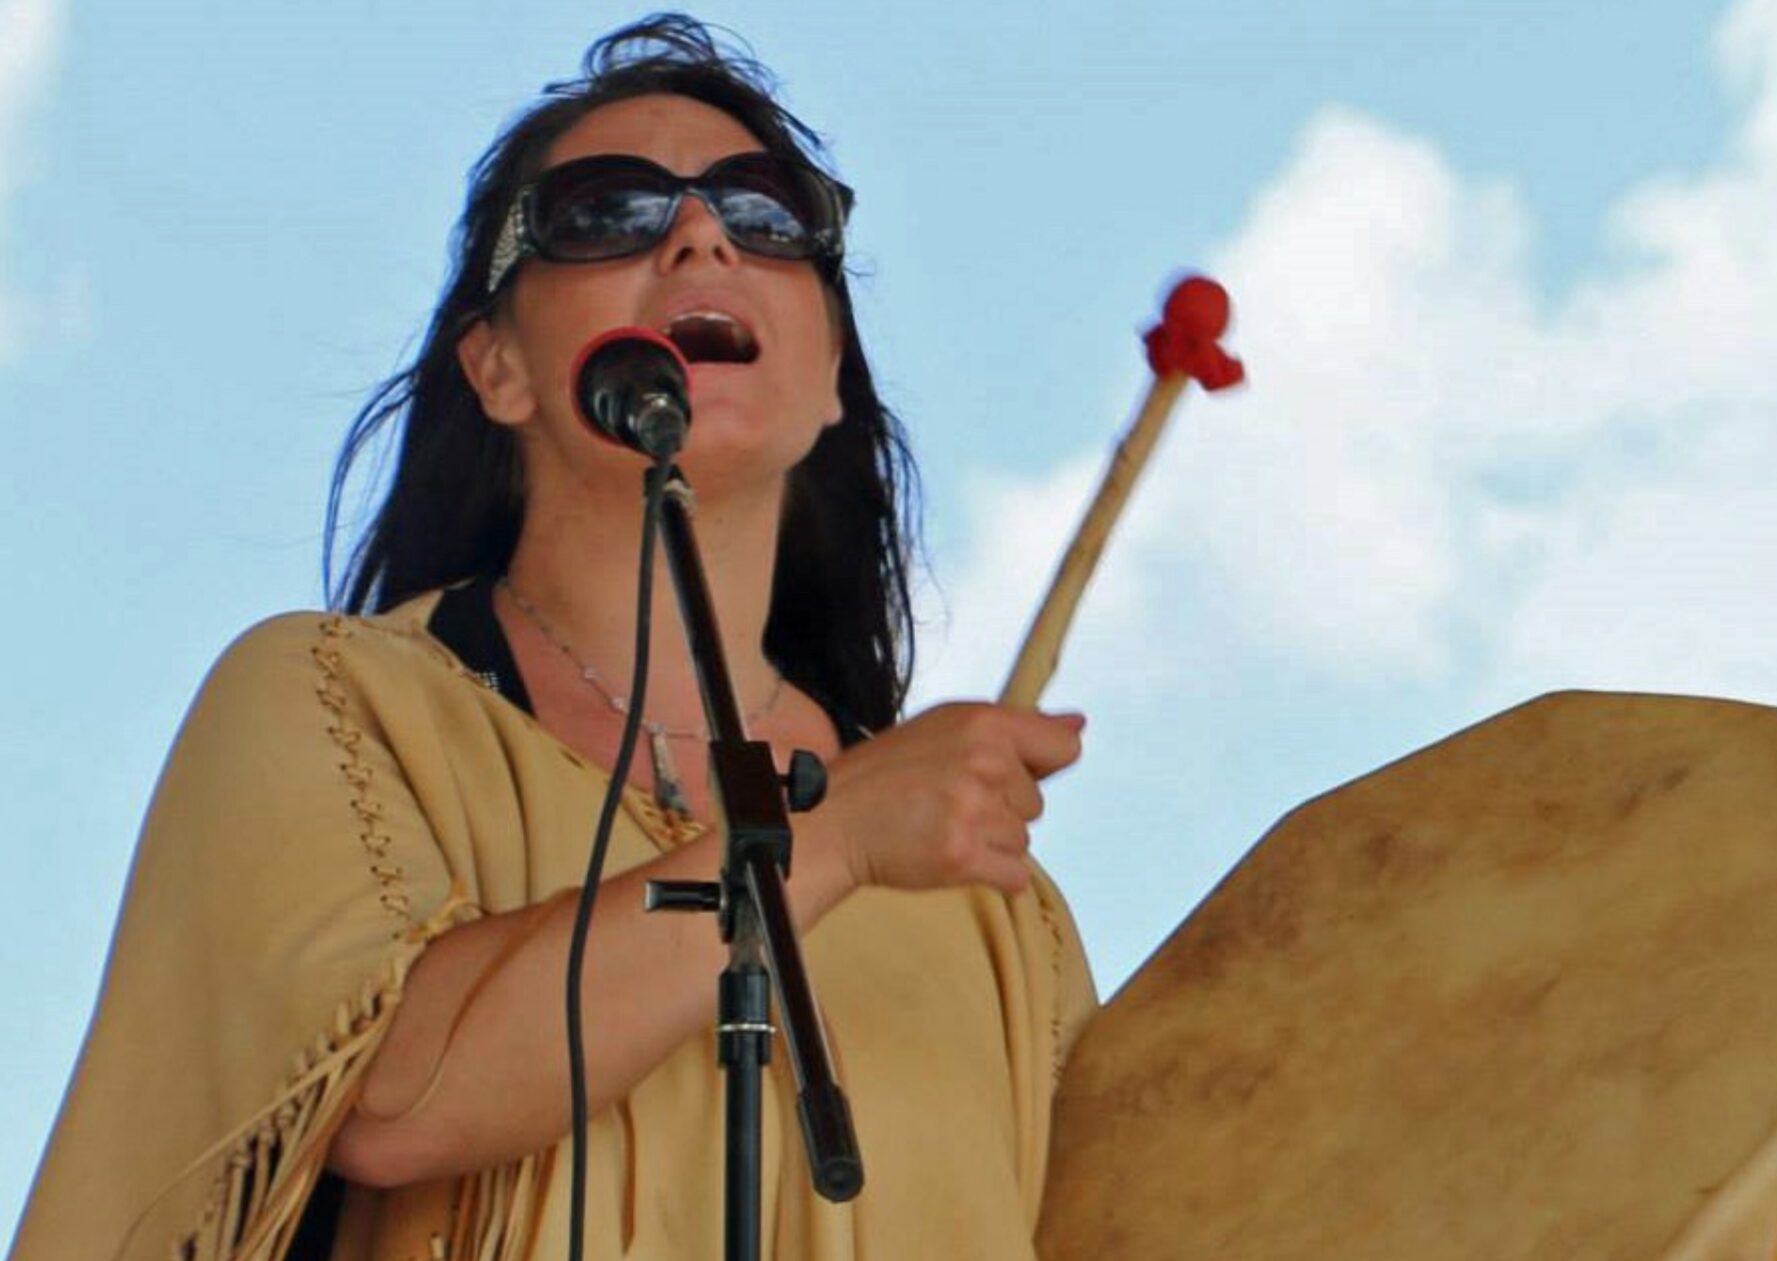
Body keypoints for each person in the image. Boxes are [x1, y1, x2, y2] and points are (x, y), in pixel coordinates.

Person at [10, 15, 1097, 1261]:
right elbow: (393, 1096)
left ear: (831, 373)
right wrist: (834, 836)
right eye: (606, 211)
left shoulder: (993, 905)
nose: (702, 235)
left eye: (770, 213)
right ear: (497, 368)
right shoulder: (333, 701)